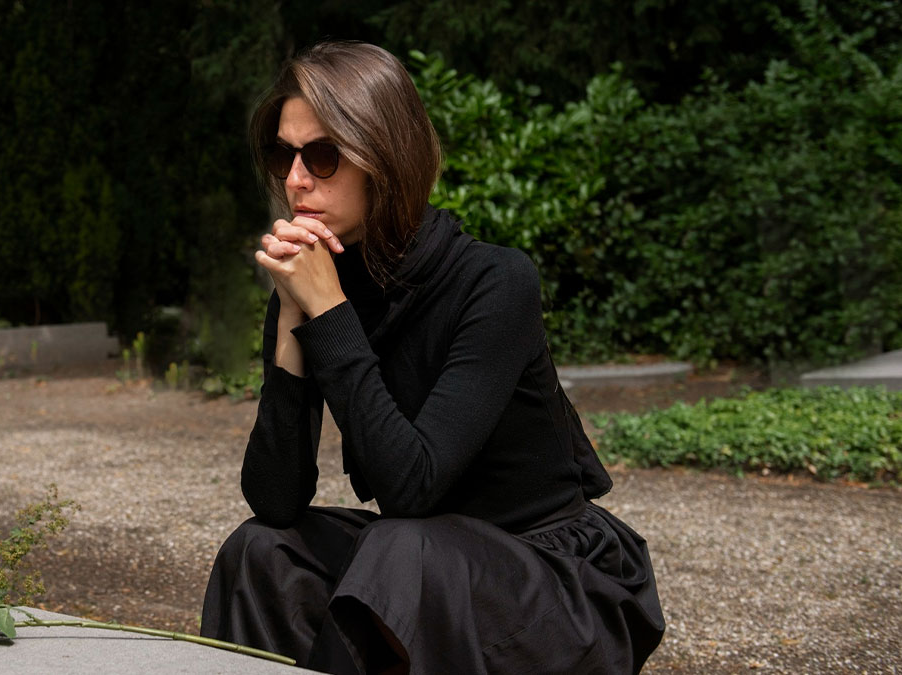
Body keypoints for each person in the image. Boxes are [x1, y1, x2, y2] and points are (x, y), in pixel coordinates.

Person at [200, 41, 664, 675]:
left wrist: (329, 314)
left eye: (324, 155)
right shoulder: (316, 285)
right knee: (260, 550)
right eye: (284, 154)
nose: (295, 179)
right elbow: (276, 500)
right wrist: (290, 318)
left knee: (402, 543)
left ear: (384, 159)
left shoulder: (495, 282)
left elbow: (412, 488)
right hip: (422, 569)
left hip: (549, 587)